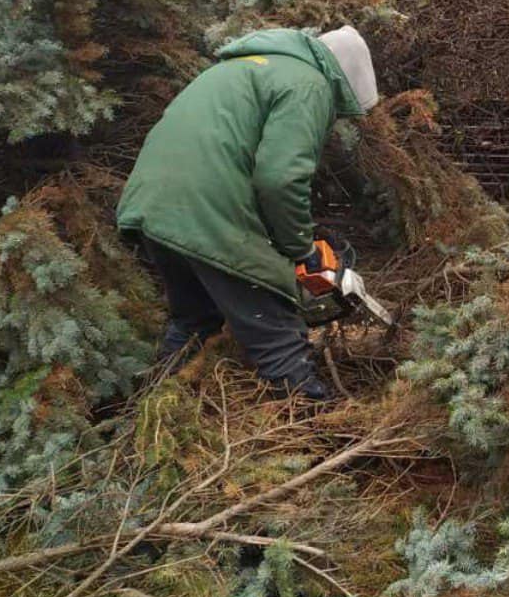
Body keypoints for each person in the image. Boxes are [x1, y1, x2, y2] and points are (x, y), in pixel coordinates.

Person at [117, 25, 379, 401]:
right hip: (207, 209)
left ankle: (149, 416)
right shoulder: (310, 83)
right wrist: (301, 248)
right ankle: (315, 425)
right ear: (344, 80)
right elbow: (280, 179)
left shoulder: (239, 67)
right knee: (277, 333)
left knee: (195, 321)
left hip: (154, 204)